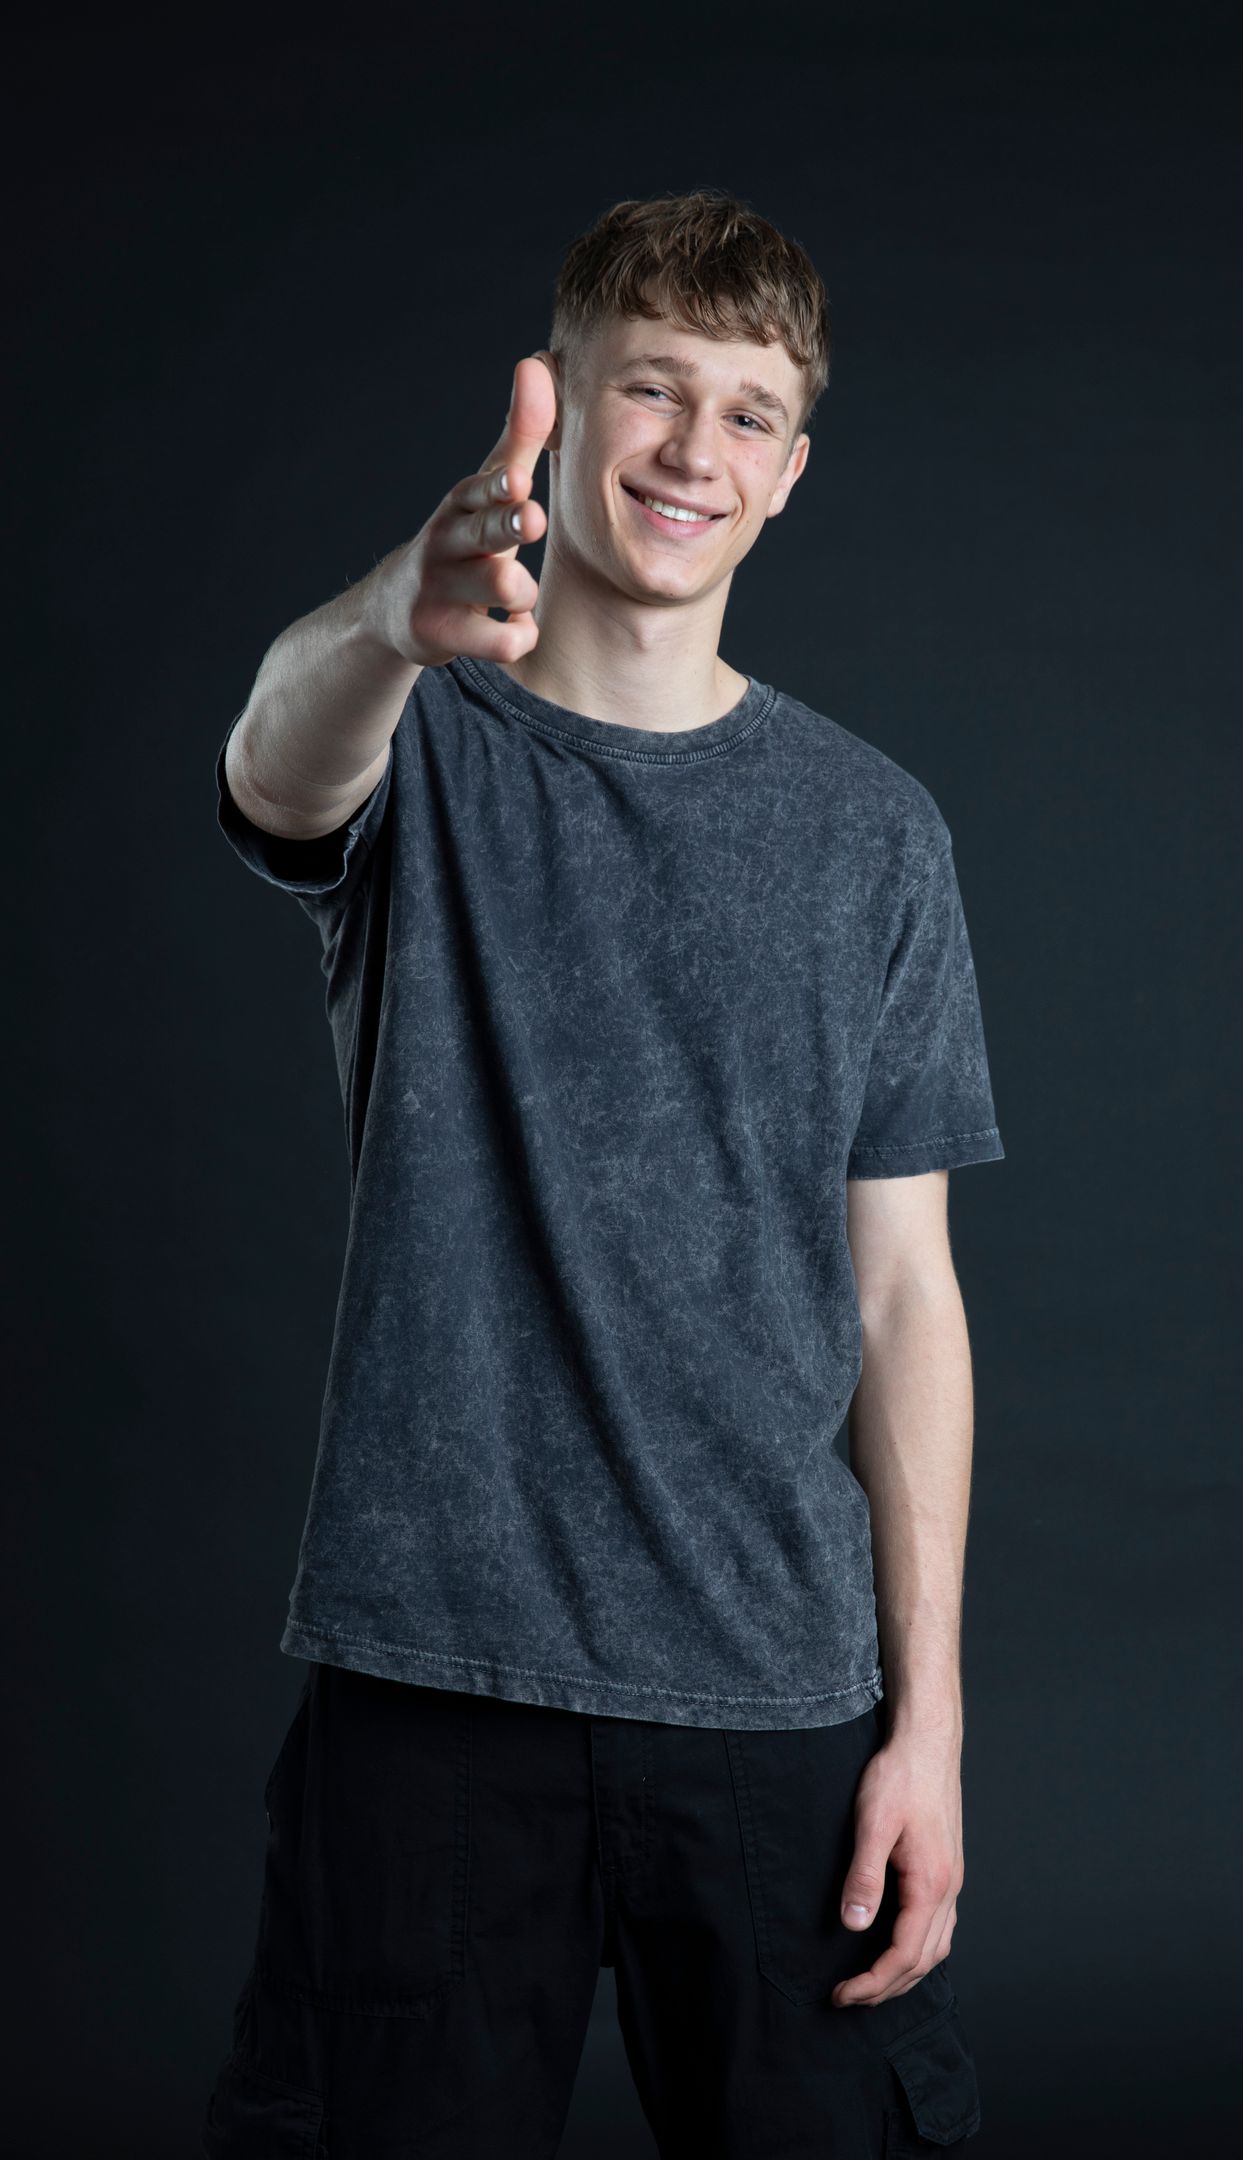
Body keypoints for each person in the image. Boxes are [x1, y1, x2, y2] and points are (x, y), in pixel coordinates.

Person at [202, 188, 1002, 2159]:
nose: (692, 450)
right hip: (431, 1686)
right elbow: (274, 770)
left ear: (789, 472)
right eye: (653, 389)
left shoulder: (875, 835)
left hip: (772, 1685)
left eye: (748, 413)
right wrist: (389, 618)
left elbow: (905, 1293)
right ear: (562, 404)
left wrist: (927, 1723)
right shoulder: (419, 739)